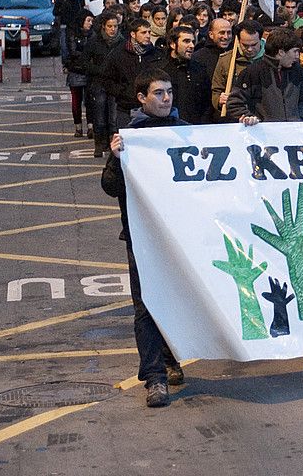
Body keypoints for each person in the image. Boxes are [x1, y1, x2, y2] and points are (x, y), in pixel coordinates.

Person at [101, 71, 188, 408]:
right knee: (145, 305)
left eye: (169, 92)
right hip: (142, 236)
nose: (166, 99)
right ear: (141, 98)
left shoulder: (184, 132)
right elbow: (110, 187)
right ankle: (154, 377)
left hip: (182, 234)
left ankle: (170, 357)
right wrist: (116, 158)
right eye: (158, 93)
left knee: (180, 297)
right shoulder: (130, 137)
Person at [226, 27, 303, 123]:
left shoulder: (299, 72)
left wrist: (299, 118)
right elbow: (234, 103)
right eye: (295, 51)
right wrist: (249, 118)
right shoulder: (253, 72)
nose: (297, 56)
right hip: (263, 135)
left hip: (293, 133)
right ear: (281, 52)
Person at [103, 17, 168, 131]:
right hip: (126, 108)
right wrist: (124, 92)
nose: (148, 35)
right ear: (133, 34)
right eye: (143, 32)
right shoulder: (118, 54)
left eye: (149, 32)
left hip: (150, 110)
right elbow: (107, 80)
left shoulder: (156, 54)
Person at [83, 12, 125, 157]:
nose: (113, 29)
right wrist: (99, 70)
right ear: (103, 27)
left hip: (114, 83)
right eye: (109, 26)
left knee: (113, 117)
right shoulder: (94, 42)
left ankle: (112, 144)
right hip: (99, 83)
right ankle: (99, 145)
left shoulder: (122, 42)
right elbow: (84, 62)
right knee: (99, 116)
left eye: (115, 26)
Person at [211, 20, 264, 119]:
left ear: (260, 39)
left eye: (254, 45)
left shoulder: (270, 59)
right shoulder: (226, 60)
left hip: (264, 118)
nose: (249, 49)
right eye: (245, 45)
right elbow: (216, 91)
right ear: (238, 41)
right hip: (236, 119)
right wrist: (219, 100)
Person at [164, 25, 212, 124]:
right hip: (169, 127)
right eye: (186, 41)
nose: (192, 45)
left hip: (197, 128)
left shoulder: (199, 69)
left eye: (193, 42)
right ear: (173, 44)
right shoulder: (161, 70)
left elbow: (207, 102)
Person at [62, 11, 95, 137]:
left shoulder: (93, 34)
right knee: (76, 100)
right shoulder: (72, 34)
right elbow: (72, 51)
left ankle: (90, 126)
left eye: (91, 21)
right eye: (88, 20)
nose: (90, 24)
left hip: (88, 71)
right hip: (76, 70)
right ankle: (78, 127)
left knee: (89, 100)